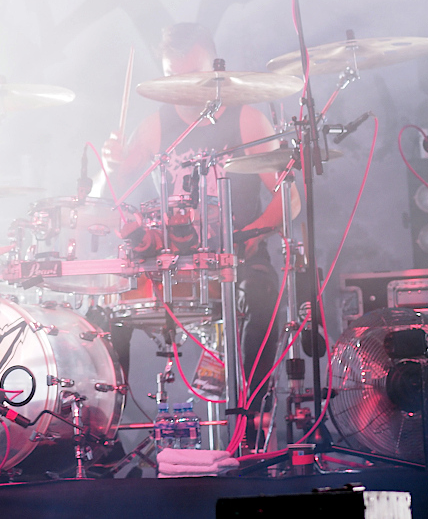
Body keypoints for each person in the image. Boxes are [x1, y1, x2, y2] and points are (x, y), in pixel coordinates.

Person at [101, 23, 300, 447]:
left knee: (262, 295)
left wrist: (248, 234)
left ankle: (251, 423)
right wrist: (110, 166)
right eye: (172, 76)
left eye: (192, 75)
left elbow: (290, 201)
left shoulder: (247, 118)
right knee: (104, 309)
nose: (182, 86)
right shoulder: (155, 125)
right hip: (169, 263)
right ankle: (106, 434)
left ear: (215, 69)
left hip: (235, 258)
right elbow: (110, 198)